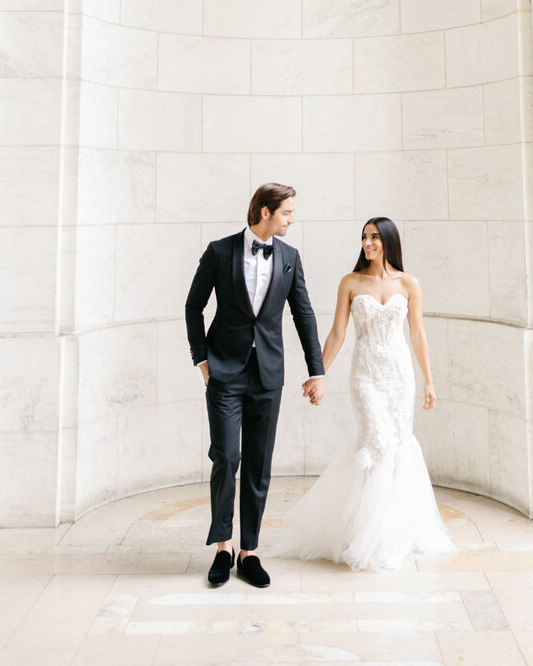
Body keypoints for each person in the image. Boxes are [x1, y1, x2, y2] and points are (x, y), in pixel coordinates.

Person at [269, 216, 454, 571]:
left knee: (398, 447)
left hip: (399, 377)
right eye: (364, 237)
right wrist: (317, 372)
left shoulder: (409, 283)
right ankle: (367, 536)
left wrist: (429, 380)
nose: (367, 243)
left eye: (374, 238)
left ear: (388, 241)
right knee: (378, 441)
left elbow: (417, 334)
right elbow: (338, 332)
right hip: (366, 374)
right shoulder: (350, 283)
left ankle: (390, 532)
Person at [185, 183, 325, 588]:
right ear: (265, 212)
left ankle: (249, 552)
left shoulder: (290, 258)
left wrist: (316, 370)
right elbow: (194, 305)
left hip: (268, 375)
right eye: (287, 213)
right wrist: (201, 359)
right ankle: (222, 547)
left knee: (259, 465)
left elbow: (304, 315)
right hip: (224, 373)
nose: (292, 219)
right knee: (227, 457)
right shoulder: (219, 251)